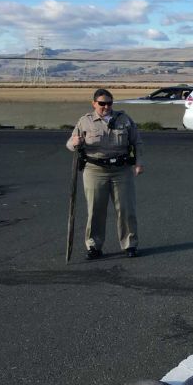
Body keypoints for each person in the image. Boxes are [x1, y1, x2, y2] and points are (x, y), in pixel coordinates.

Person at [66, 89, 143, 259]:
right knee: (96, 210)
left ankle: (130, 244)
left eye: (109, 103)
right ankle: (94, 246)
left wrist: (138, 163)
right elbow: (70, 145)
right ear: (94, 104)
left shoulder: (124, 120)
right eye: (102, 103)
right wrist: (74, 142)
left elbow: (136, 142)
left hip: (121, 170)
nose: (106, 106)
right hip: (95, 171)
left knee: (126, 209)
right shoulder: (85, 121)